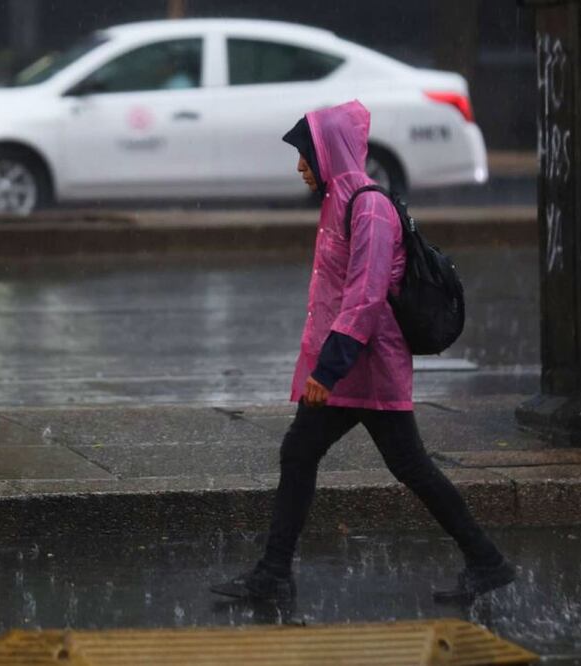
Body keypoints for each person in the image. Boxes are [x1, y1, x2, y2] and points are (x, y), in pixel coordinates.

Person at [210, 100, 516, 604]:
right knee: (305, 453)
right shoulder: (338, 202)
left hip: (367, 366)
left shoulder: (369, 207)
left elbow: (366, 296)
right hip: (349, 366)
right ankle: (274, 573)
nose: (300, 166)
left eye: (307, 154)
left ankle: (486, 560)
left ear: (329, 152)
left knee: (405, 465)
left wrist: (328, 369)